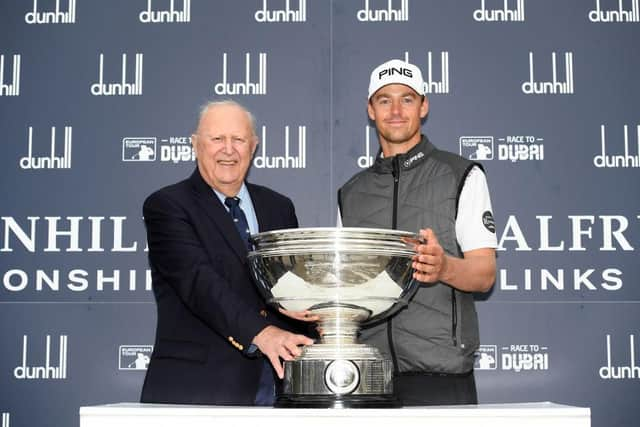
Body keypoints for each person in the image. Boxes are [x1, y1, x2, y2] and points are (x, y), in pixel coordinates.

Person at [338, 59, 497, 405]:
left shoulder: (461, 175)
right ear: (370, 109)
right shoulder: (351, 193)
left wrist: (444, 269)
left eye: (407, 99)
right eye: (384, 100)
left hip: (441, 378)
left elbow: (485, 274)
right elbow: (344, 288)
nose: (396, 110)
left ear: (423, 106)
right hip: (369, 377)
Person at [141, 100, 314, 405]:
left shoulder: (279, 207)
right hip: (196, 391)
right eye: (217, 138)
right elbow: (199, 283)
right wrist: (263, 334)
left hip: (278, 388)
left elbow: (293, 286)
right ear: (196, 145)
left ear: (254, 146)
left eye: (238, 139)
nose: (228, 149)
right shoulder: (167, 205)